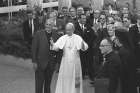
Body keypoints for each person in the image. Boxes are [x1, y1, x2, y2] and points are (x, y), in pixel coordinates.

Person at [51, 23, 88, 93]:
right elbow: (56, 47)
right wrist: (52, 44)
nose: (67, 32)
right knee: (65, 80)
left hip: (75, 63)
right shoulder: (63, 37)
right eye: (66, 30)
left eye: (69, 30)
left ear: (73, 29)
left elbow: (85, 47)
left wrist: (82, 44)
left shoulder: (78, 37)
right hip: (65, 63)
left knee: (75, 81)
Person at [32, 19, 58, 93]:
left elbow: (58, 49)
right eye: (47, 24)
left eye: (50, 25)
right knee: (39, 84)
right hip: (40, 63)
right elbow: (34, 49)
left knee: (48, 84)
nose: (48, 26)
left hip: (51, 63)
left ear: (53, 26)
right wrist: (34, 61)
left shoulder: (56, 34)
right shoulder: (38, 34)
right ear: (44, 24)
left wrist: (57, 63)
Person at [75, 14, 97, 80]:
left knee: (90, 63)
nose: (84, 20)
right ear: (79, 19)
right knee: (81, 62)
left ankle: (92, 77)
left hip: (88, 48)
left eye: (85, 18)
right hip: (80, 48)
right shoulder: (76, 27)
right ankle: (82, 75)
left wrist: (87, 45)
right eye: (83, 18)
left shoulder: (89, 26)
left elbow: (92, 36)